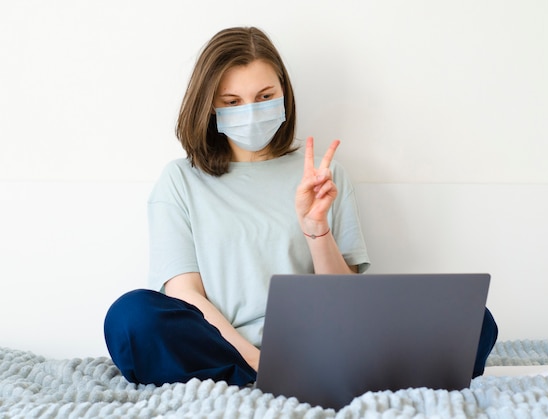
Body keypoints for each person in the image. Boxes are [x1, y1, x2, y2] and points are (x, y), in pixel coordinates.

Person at [104, 26, 497, 388]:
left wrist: (316, 229)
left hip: (323, 346)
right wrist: (259, 361)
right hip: (227, 350)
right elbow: (186, 296)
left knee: (475, 322)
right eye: (232, 101)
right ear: (210, 107)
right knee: (132, 317)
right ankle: (270, 379)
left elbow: (347, 302)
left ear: (284, 94)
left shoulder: (324, 174)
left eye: (264, 97)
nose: (251, 110)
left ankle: (319, 375)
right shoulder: (180, 180)